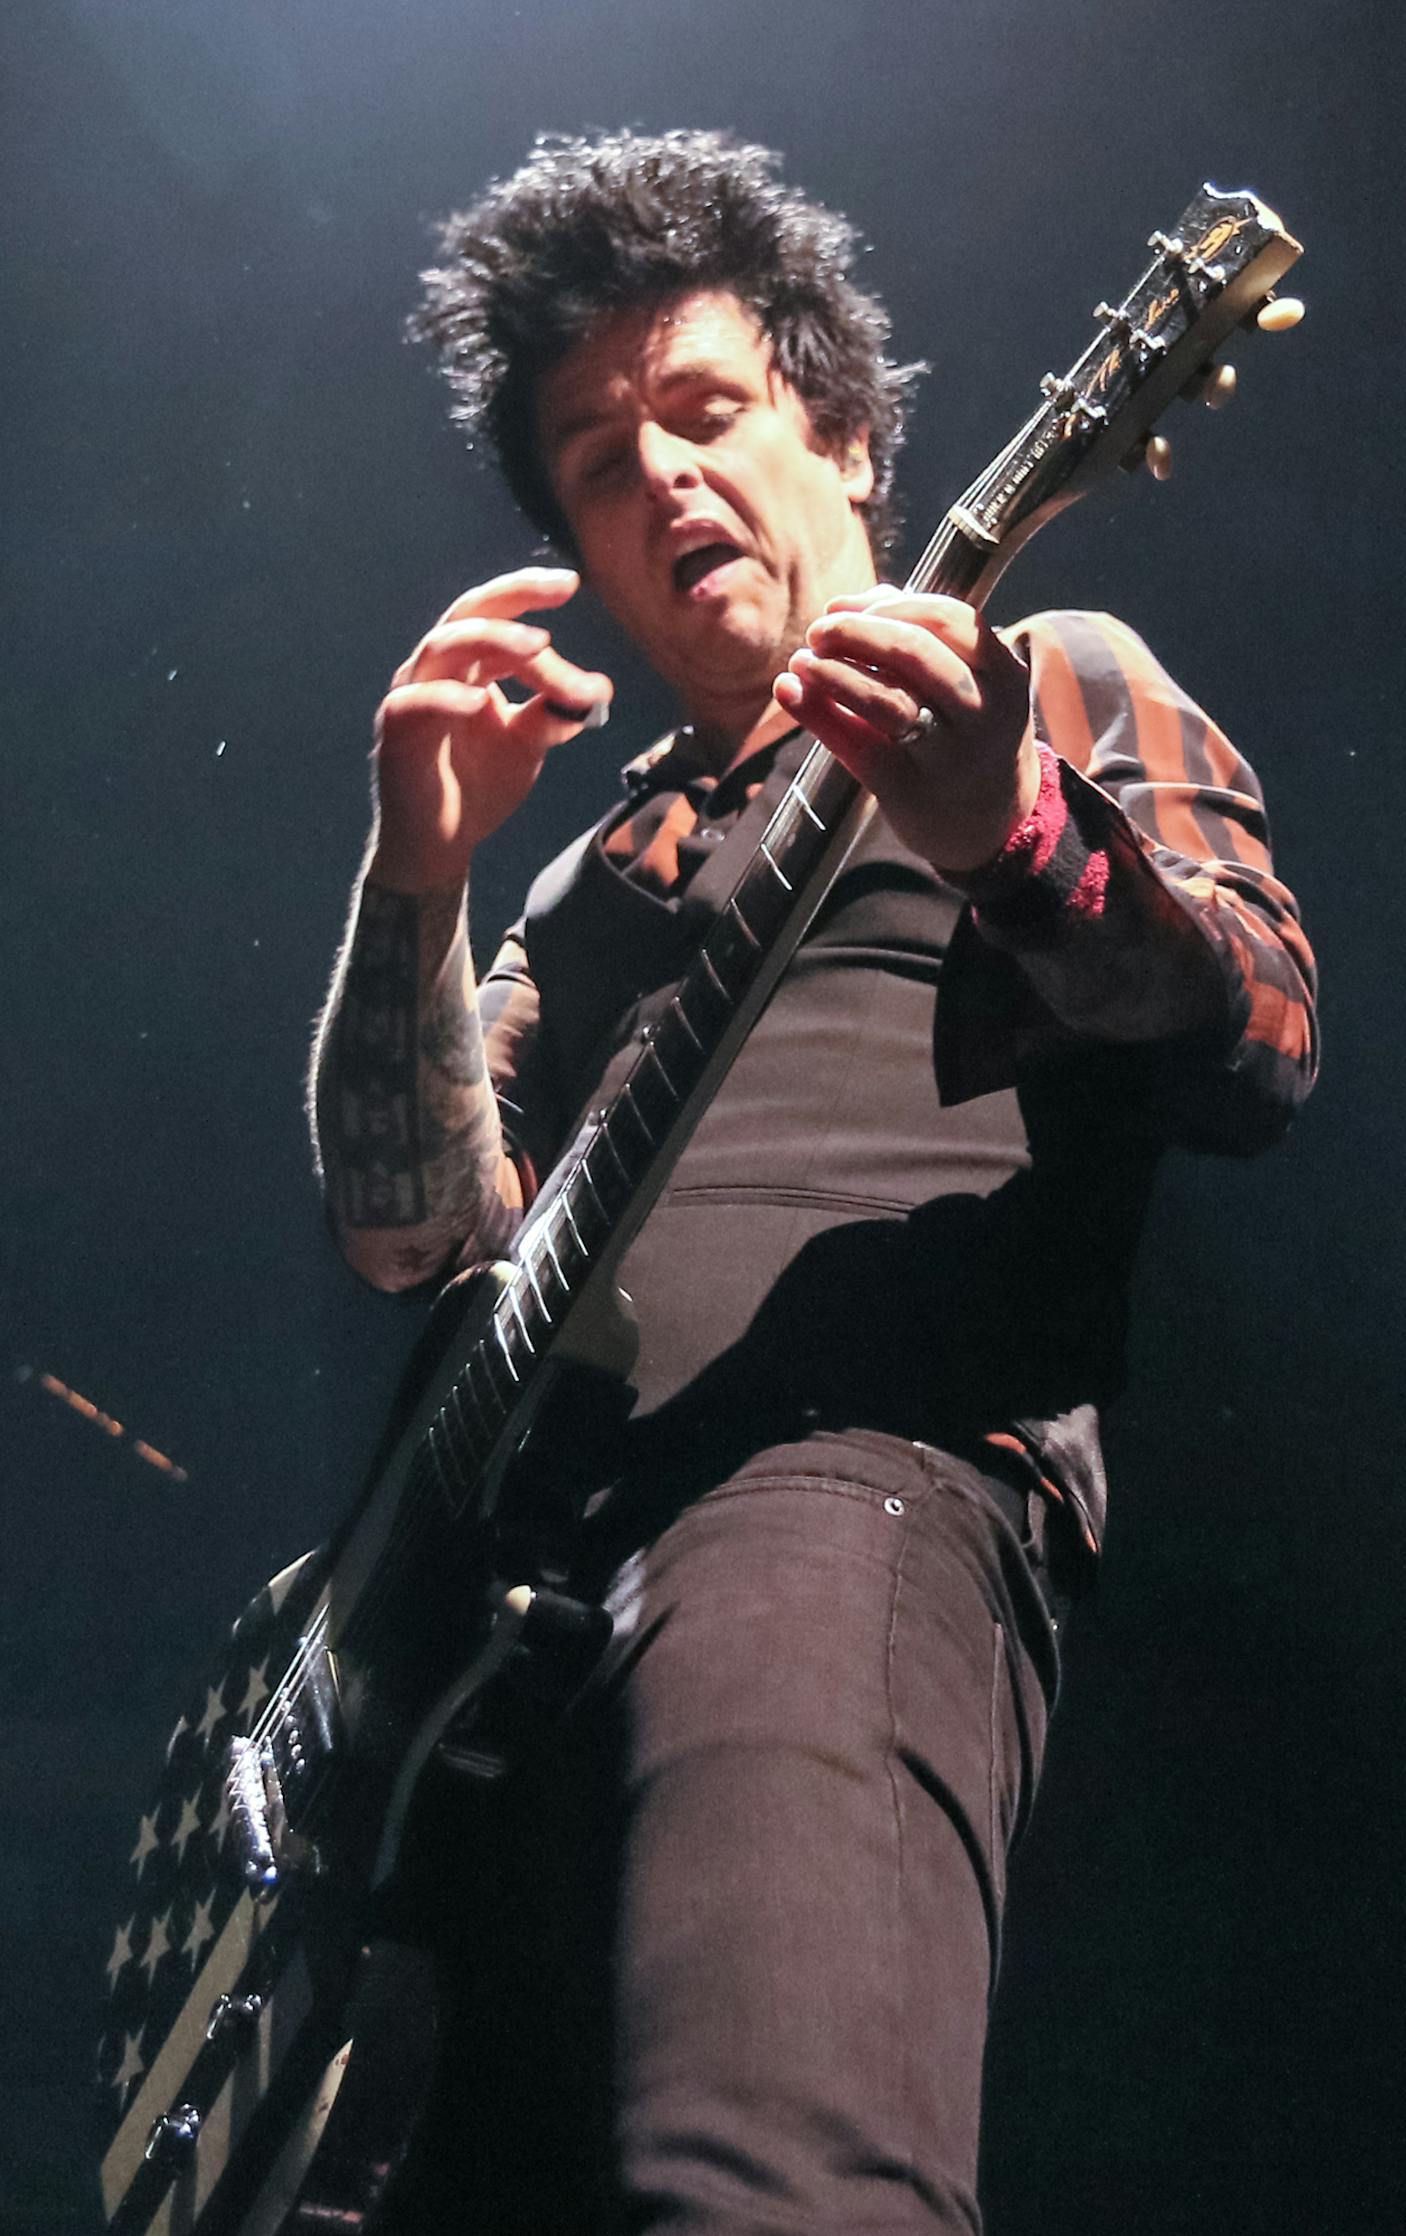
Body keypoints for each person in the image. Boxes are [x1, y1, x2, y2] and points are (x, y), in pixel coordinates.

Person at [309, 129, 1316, 2235]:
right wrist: (418, 875)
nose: (660, 475)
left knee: (768, 2181)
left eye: (701, 412)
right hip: (504, 1635)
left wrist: (1000, 821)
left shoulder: (1054, 677)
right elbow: (414, 1229)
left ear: (843, 435)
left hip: (849, 1478)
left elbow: (1256, 1043)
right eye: (598, 458)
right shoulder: (589, 887)